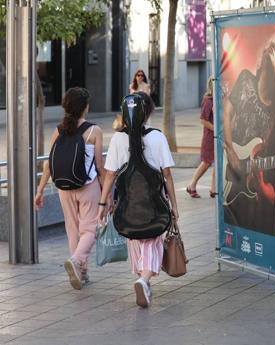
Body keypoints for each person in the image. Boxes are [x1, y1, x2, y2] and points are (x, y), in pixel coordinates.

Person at [98, 92, 179, 308]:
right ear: (148, 113)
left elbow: (110, 174)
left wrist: (102, 203)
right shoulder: (157, 137)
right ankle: (144, 279)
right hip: (155, 206)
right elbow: (167, 175)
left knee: (136, 240)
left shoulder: (117, 139)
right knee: (152, 241)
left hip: (128, 207)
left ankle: (142, 279)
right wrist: (174, 206)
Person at [34, 87, 106, 288]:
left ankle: (81, 272)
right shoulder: (94, 131)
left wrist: (40, 190)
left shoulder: (58, 130)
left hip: (64, 187)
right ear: (85, 107)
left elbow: (49, 163)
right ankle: (76, 261)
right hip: (88, 186)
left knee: (72, 229)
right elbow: (99, 166)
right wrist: (107, 194)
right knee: (90, 228)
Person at [222, 32, 275, 232]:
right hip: (231, 157)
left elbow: (264, 147)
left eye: (273, 72)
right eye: (267, 65)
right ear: (261, 64)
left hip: (249, 172)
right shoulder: (245, 79)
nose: (267, 74)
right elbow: (226, 114)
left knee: (246, 219)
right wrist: (230, 150)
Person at [186, 76, 216, 198]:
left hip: (217, 137)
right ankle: (191, 185)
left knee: (218, 162)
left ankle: (214, 189)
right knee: (206, 162)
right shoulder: (208, 100)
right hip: (210, 137)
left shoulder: (217, 99)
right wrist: (217, 130)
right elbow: (203, 120)